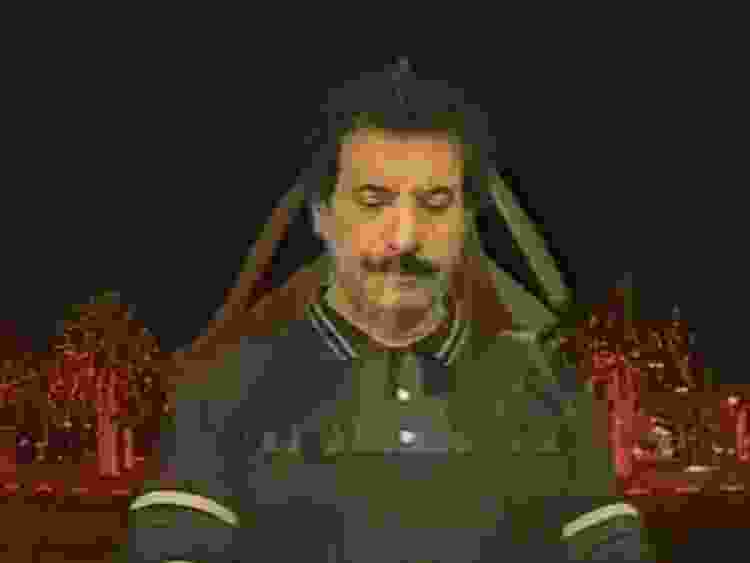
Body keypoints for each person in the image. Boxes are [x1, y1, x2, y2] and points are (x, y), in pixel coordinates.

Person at [124, 60, 655, 562]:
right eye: (374, 201)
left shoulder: (545, 385)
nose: (404, 238)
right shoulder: (226, 384)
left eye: (435, 204)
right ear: (322, 216)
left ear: (467, 221)